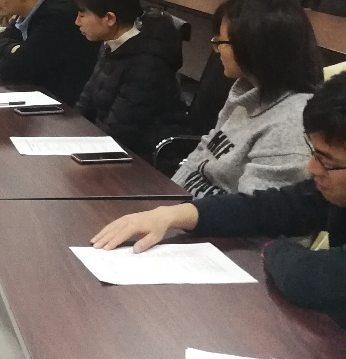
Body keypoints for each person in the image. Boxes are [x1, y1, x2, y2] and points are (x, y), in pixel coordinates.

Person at [90, 73, 346, 331]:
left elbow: (307, 278)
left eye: (327, 161)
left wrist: (273, 247)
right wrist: (172, 215)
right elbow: (271, 207)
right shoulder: (330, 191)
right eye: (314, 154)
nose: (311, 168)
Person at [172, 0, 322, 198]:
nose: (216, 50)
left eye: (221, 42)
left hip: (210, 217)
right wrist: (168, 194)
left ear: (253, 47)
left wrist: (180, 210)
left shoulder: (289, 128)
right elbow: (204, 152)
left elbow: (252, 211)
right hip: (185, 207)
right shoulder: (246, 91)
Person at [71, 0, 188, 159]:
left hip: (144, 158)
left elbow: (121, 131)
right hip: (111, 143)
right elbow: (86, 100)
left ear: (110, 19)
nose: (77, 22)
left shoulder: (146, 63)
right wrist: (69, 130)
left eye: (82, 15)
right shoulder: (112, 42)